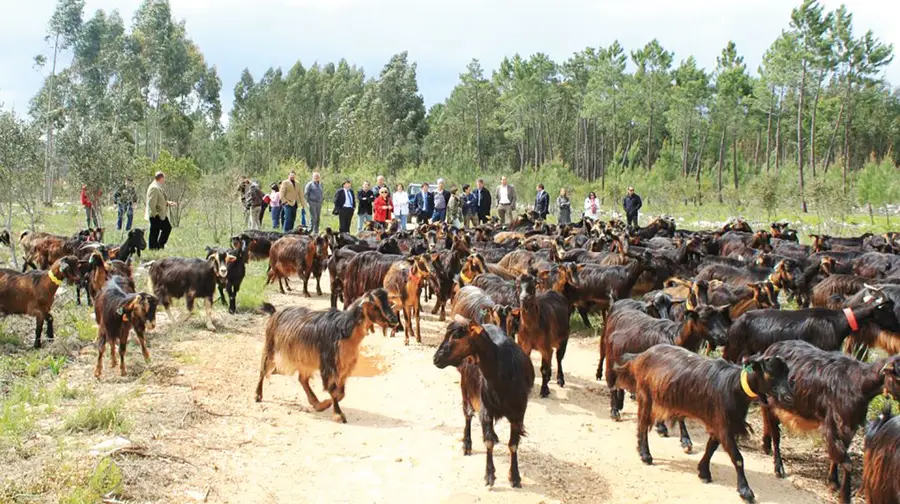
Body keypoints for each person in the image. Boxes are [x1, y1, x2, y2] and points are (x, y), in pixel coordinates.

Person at [146, 171, 175, 250]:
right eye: (164, 178)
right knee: (154, 232)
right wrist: (155, 214)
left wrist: (167, 203)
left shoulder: (158, 187)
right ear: (160, 178)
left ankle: (159, 246)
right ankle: (153, 249)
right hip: (156, 215)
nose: (164, 180)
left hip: (161, 214)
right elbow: (151, 203)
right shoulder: (154, 188)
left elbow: (159, 200)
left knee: (167, 228)